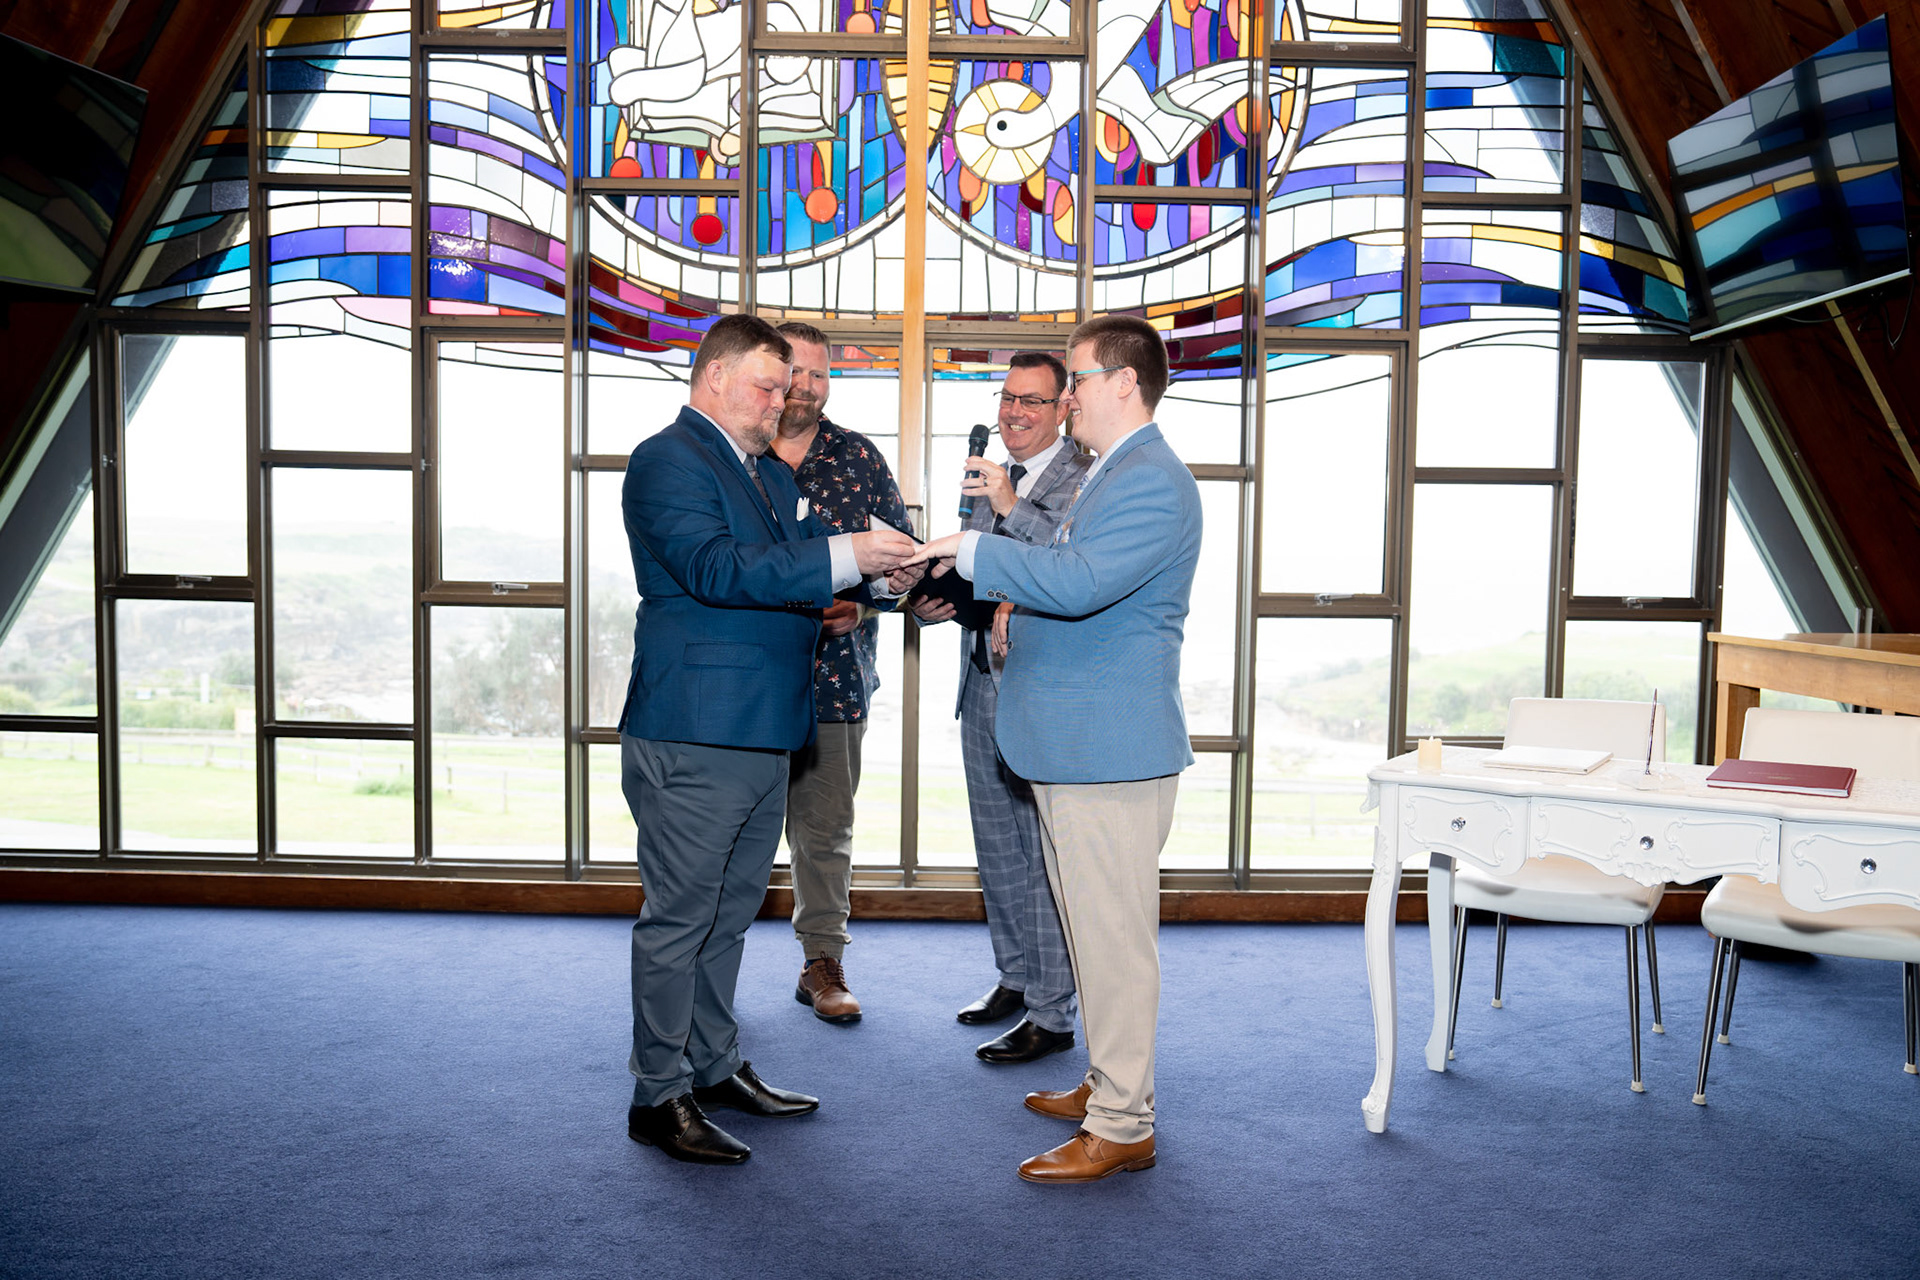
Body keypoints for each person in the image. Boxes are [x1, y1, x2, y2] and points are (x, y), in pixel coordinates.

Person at [904, 315, 1200, 1184]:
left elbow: (1079, 584)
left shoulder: (1152, 478)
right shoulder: (1112, 472)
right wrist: (1005, 604)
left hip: (1109, 751)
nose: (1068, 398)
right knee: (1091, 934)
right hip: (1078, 747)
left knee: (1114, 945)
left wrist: (972, 549)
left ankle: (1124, 1124)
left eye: (1078, 379)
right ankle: (1110, 1083)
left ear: (1125, 384)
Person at [618, 314, 919, 1165]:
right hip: (698, 729)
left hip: (762, 729)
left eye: (787, 388)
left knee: (727, 919)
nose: (780, 401)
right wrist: (849, 552)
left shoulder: (759, 472)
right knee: (682, 921)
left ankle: (713, 1067)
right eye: (766, 385)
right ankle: (657, 1094)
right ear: (714, 376)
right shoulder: (667, 459)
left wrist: (887, 567)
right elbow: (716, 569)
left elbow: (806, 558)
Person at [911, 352, 1089, 1065]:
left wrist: (1011, 503)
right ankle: (1016, 976)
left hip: (1041, 690)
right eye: (1008, 398)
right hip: (982, 677)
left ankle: (1053, 1011)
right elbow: (979, 570)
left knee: (1039, 852)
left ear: (1065, 408)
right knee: (996, 847)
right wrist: (929, 597)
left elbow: (1066, 567)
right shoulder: (990, 478)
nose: (1015, 413)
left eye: (1033, 401)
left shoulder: (1085, 477)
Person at [767, 321, 912, 1024]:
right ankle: (707, 970)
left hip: (835, 681)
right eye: (793, 371)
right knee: (731, 833)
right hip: (745, 684)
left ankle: (822, 963)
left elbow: (905, 561)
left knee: (825, 833)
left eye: (819, 374)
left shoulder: (858, 457)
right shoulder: (731, 452)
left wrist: (866, 602)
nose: (805, 386)